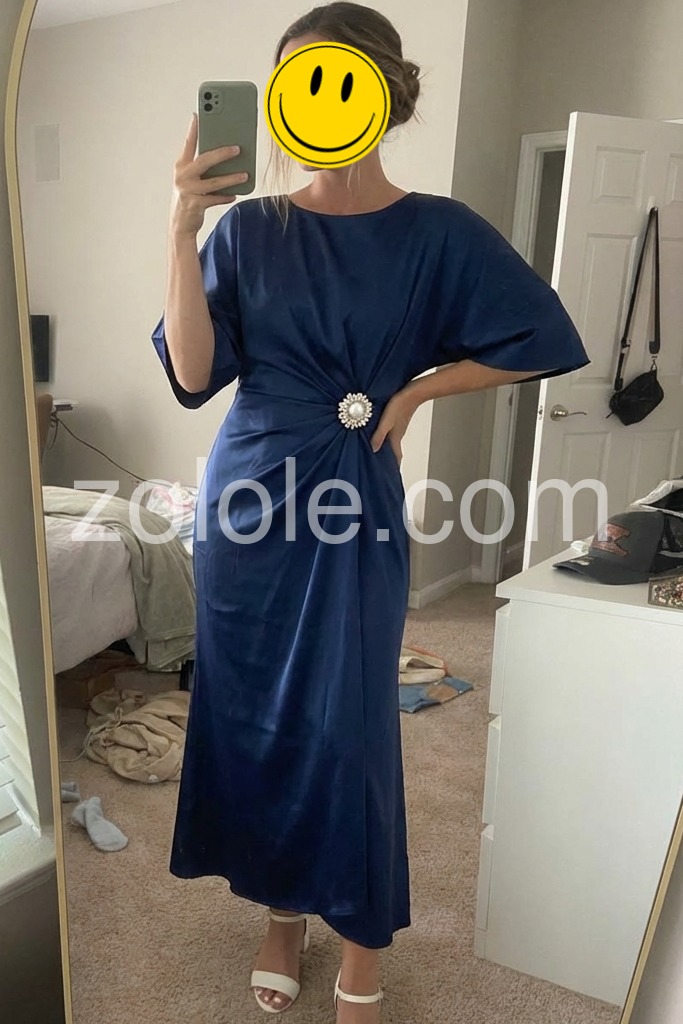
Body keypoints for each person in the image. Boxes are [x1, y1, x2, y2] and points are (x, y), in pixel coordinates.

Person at [152, 3, 590, 1021]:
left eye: (336, 79)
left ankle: (357, 941)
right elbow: (192, 373)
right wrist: (180, 228)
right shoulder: (250, 228)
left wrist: (422, 388)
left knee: (348, 725)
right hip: (247, 502)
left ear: (382, 94)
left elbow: (541, 334)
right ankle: (279, 915)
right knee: (255, 718)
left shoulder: (438, 231)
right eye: (297, 82)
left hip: (355, 501)